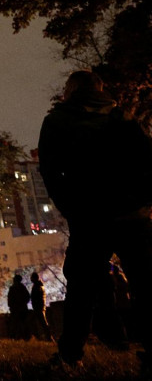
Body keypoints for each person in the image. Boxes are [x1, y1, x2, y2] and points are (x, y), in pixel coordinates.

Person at [38, 70, 152, 369]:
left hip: (90, 217)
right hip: (132, 216)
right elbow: (147, 162)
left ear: (70, 91)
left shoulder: (57, 121)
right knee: (144, 281)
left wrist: (71, 207)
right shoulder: (122, 118)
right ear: (100, 90)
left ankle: (70, 355)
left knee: (81, 287)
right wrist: (141, 202)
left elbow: (50, 172)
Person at [30, 272, 54, 341]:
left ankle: (48, 338)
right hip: (39, 307)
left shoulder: (37, 286)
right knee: (42, 323)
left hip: (38, 308)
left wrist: (37, 306)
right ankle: (47, 337)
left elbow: (36, 297)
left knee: (43, 323)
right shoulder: (39, 285)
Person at [7, 274, 32, 340]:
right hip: (22, 309)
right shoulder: (22, 288)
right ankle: (25, 337)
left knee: (16, 324)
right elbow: (27, 297)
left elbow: (10, 299)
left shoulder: (13, 288)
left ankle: (17, 337)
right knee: (23, 323)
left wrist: (12, 306)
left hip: (16, 309)